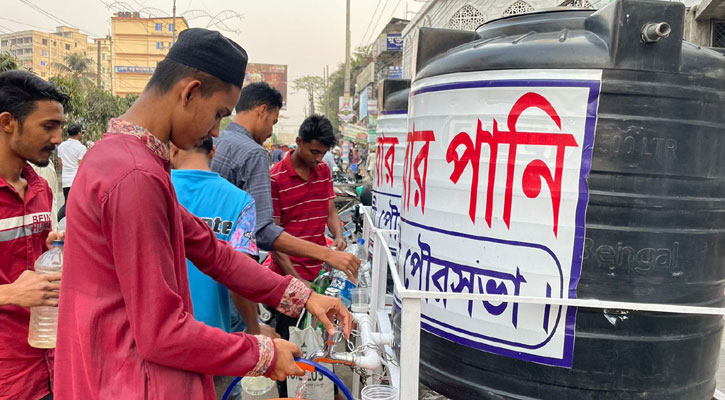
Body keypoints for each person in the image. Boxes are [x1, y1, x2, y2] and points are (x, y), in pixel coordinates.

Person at [54, 28, 351, 400]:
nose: (214, 130)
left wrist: (302, 296)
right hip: (129, 379)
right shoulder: (134, 175)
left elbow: (211, 250)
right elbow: (161, 332)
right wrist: (261, 352)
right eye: (218, 114)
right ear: (190, 91)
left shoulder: (123, 159)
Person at [211, 82, 359, 283]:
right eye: (273, 122)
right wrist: (325, 256)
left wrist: (336, 239)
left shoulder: (214, 141)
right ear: (262, 111)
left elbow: (329, 210)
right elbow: (263, 231)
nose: (270, 131)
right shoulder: (256, 156)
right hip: (235, 267)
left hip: (207, 258)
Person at [169, 136, 278, 399]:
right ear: (213, 152)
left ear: (172, 149)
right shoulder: (240, 201)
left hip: (164, 344)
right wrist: (253, 329)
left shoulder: (155, 189)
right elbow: (239, 279)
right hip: (216, 346)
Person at [0, 70, 66, 400]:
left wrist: (52, 247)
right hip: (7, 375)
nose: (57, 138)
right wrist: (8, 294)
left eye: (60, 127)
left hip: (51, 362)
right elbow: (16, 287)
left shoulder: (40, 187)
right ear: (8, 122)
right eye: (48, 126)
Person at [56, 123, 86, 221]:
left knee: (69, 204)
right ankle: (54, 222)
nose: (81, 134)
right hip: (77, 180)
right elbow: (81, 166)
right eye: (81, 132)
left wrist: (64, 173)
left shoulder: (61, 146)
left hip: (66, 180)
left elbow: (60, 164)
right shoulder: (81, 148)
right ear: (78, 133)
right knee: (74, 206)